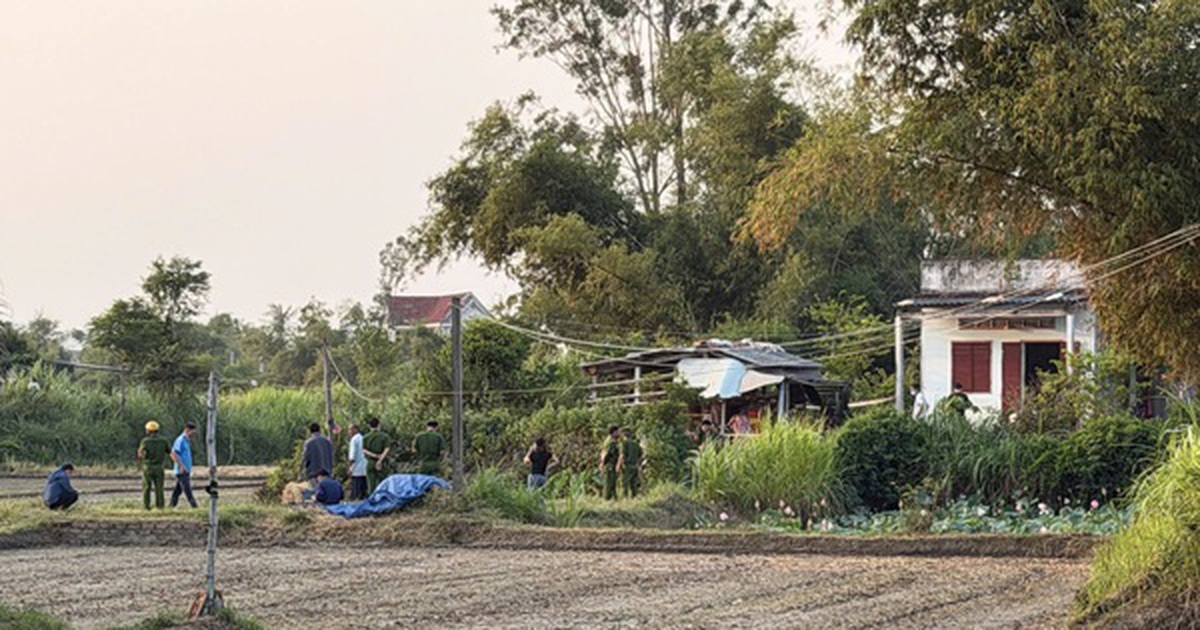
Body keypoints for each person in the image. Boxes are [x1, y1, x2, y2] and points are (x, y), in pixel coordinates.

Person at [137, 420, 171, 510]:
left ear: (148, 430)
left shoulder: (145, 441)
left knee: (147, 487)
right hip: (159, 467)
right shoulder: (164, 441)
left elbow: (141, 454)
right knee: (159, 488)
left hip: (148, 467)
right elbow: (170, 452)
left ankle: (146, 506)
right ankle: (160, 506)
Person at [170, 423, 199, 509]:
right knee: (187, 490)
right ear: (187, 430)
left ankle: (171, 506)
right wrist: (181, 466)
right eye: (192, 433)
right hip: (181, 470)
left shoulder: (187, 441)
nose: (193, 435)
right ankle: (194, 507)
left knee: (178, 490)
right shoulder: (180, 440)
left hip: (186, 470)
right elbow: (173, 454)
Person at [362, 417, 392, 494]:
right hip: (383, 464)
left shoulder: (365, 437)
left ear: (369, 426)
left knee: (371, 486)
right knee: (383, 484)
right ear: (379, 425)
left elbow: (363, 450)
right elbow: (387, 449)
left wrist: (374, 456)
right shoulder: (385, 436)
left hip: (370, 463)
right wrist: (380, 460)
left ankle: (372, 501)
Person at [617, 428, 643, 499]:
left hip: (626, 466)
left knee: (624, 484)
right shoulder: (636, 444)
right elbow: (640, 456)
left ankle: (624, 499)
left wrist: (618, 465)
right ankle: (634, 498)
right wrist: (638, 464)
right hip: (634, 466)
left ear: (623, 435)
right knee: (633, 484)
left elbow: (622, 455)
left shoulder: (624, 443)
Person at [346, 423, 368, 501]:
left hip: (356, 468)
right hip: (364, 467)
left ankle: (355, 501)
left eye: (350, 429)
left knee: (356, 490)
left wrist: (350, 468)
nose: (349, 432)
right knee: (363, 489)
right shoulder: (363, 438)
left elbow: (352, 456)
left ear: (355, 430)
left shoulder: (354, 439)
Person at [600, 426, 621, 500]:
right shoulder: (610, 442)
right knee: (609, 483)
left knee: (613, 483)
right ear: (614, 432)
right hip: (610, 465)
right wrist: (602, 464)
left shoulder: (611, 441)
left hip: (612, 465)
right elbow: (605, 454)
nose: (619, 433)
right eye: (618, 431)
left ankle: (614, 499)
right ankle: (606, 498)